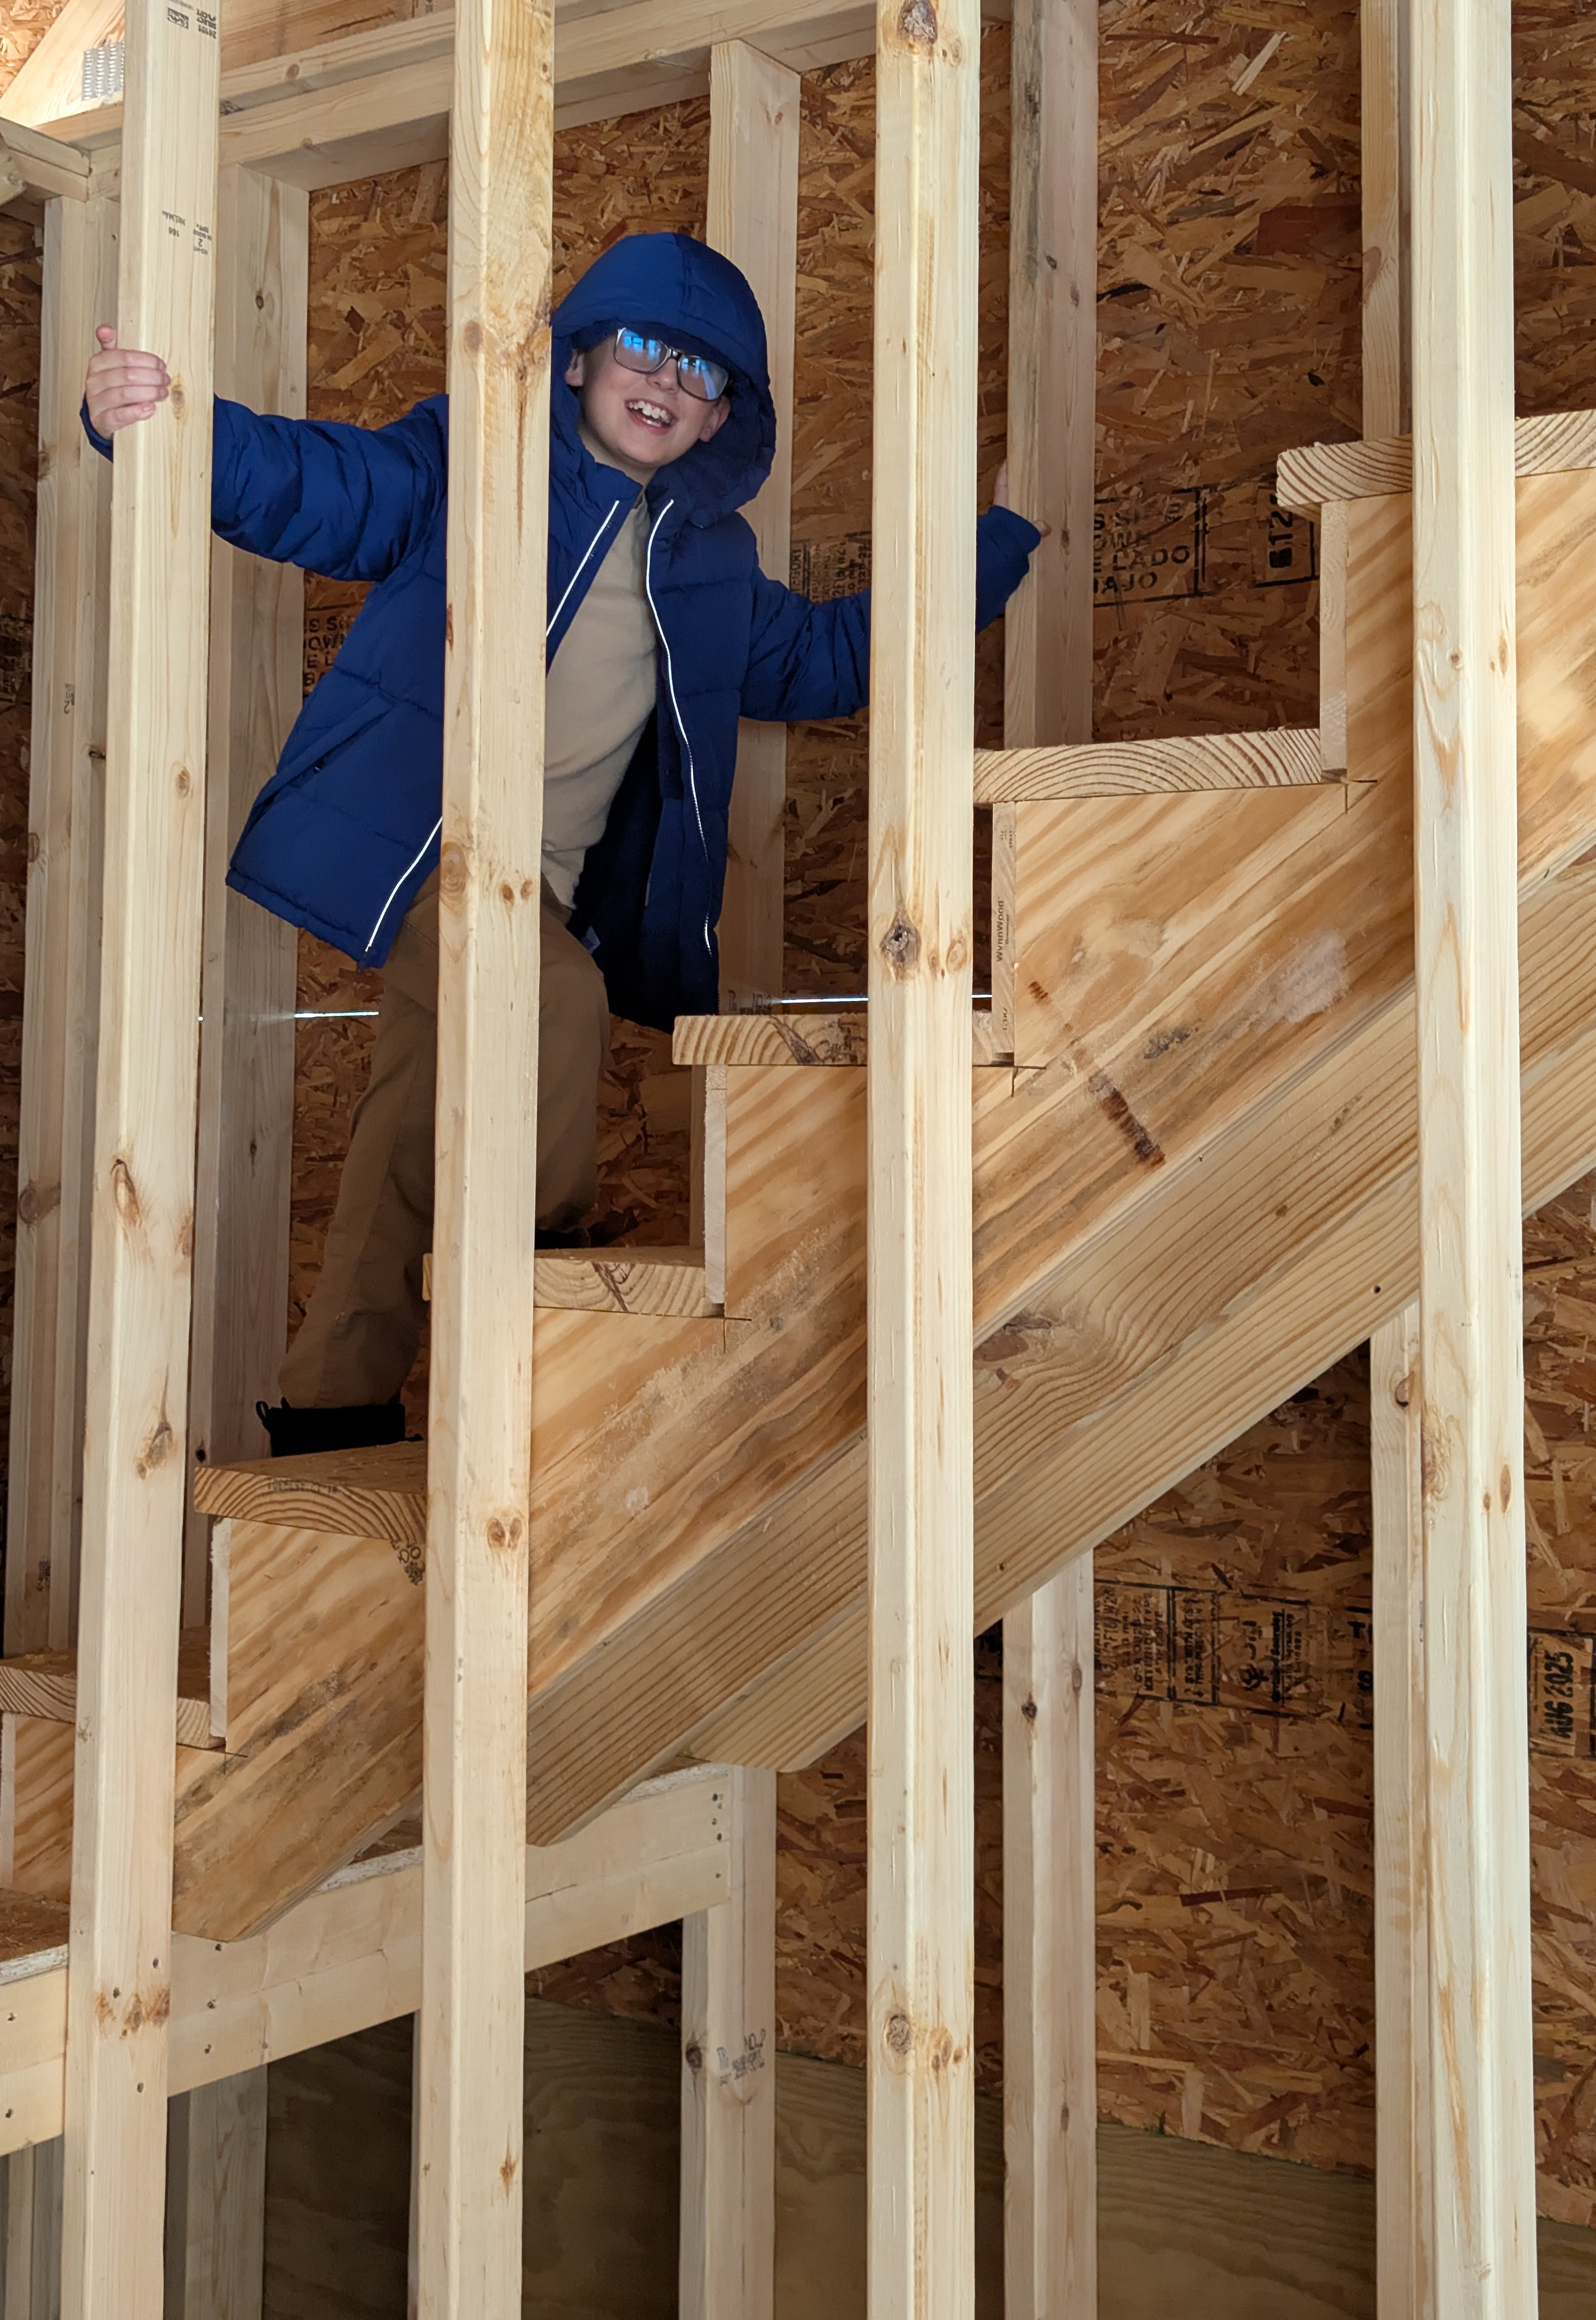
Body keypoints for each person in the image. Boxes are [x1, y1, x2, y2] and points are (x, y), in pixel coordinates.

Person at [83, 228, 1039, 1452]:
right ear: (582, 357)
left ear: (718, 421)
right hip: (422, 847)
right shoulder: (472, 468)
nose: (668, 383)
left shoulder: (707, 566)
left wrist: (1002, 540)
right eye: (645, 346)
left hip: (537, 882)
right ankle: (544, 1304)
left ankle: (333, 1401)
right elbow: (319, 485)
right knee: (561, 1002)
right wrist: (159, 422)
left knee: (406, 1129)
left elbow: (829, 657)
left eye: (704, 378)